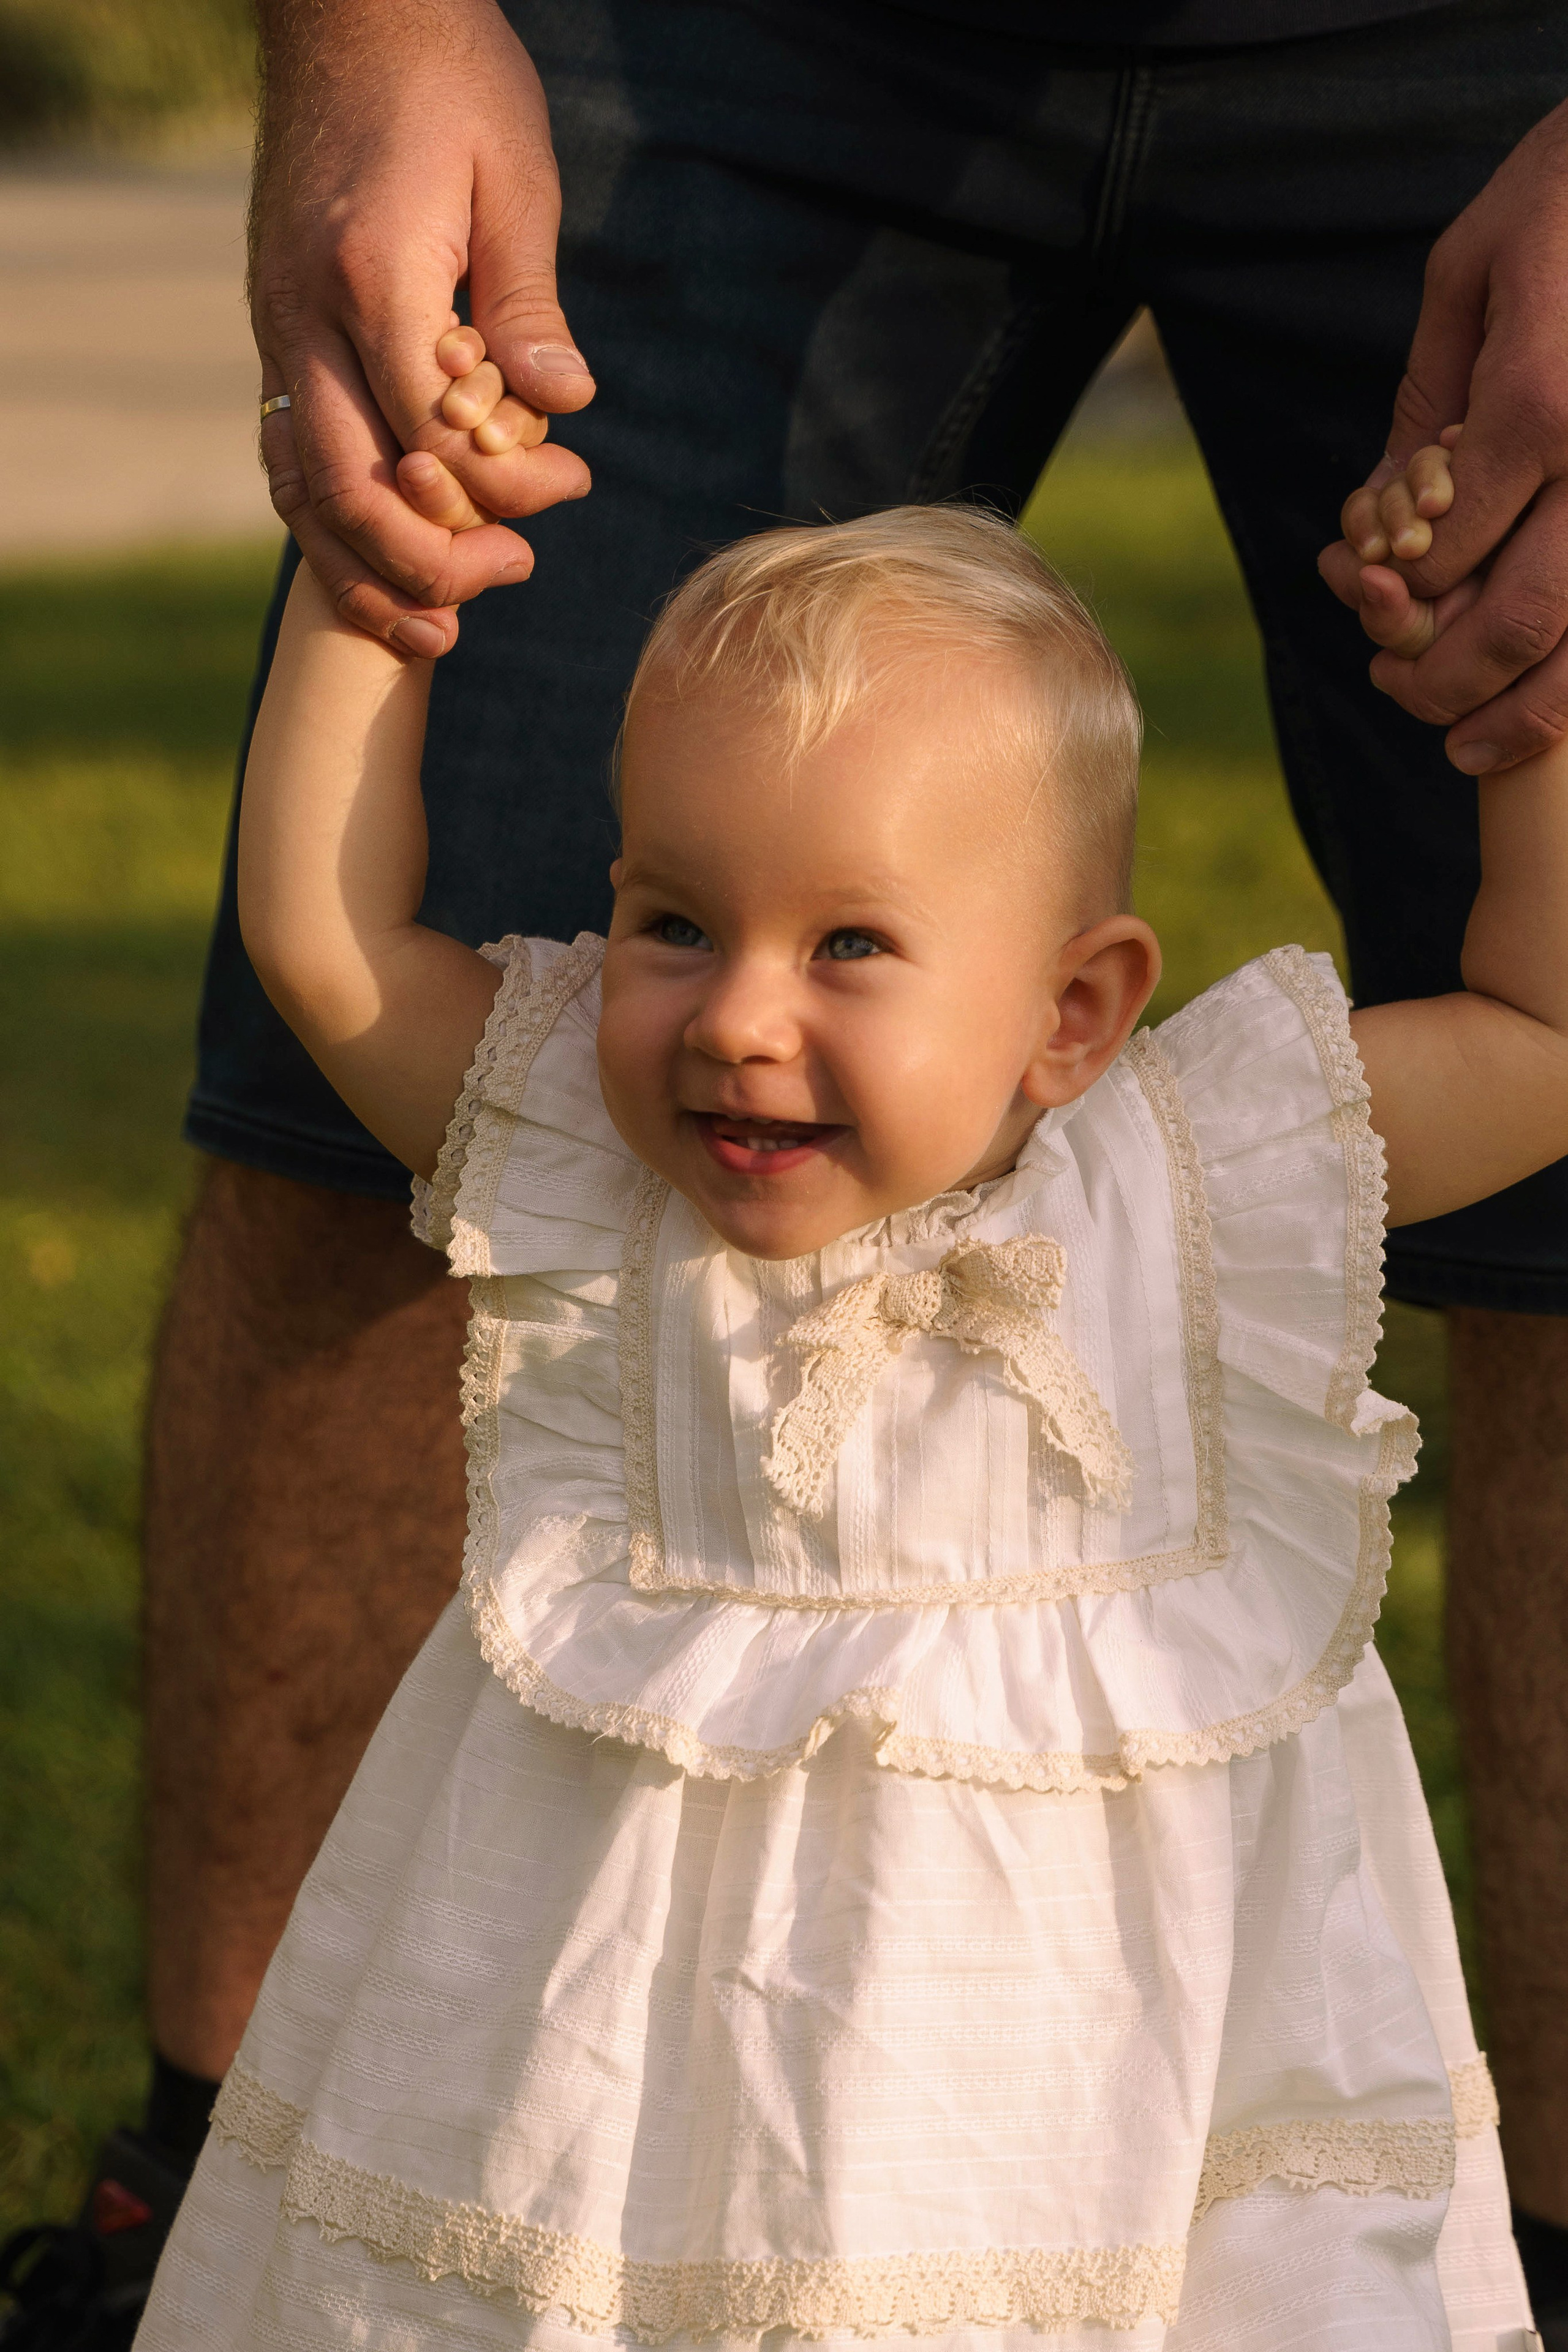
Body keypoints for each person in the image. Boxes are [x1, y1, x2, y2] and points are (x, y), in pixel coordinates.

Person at [13, 3, 1568, 2347]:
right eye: (669, 921)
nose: (736, 1015)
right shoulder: (583, 1144)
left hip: (1089, 2136)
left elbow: (1545, 1038)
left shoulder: (1200, 1176)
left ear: (1075, 1008)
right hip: (636, 2113)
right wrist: (378, 592)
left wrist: (1514, 721)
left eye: (851, 947)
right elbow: (330, 950)